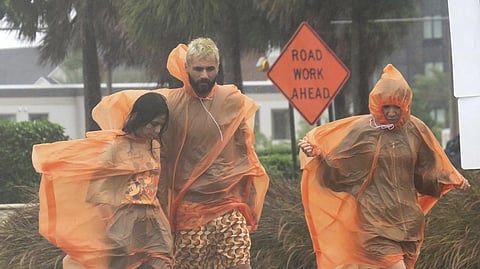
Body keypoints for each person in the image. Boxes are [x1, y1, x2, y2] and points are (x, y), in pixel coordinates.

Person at [92, 37, 270, 269]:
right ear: (186, 69)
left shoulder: (233, 101)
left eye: (210, 68)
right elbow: (142, 126)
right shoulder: (171, 104)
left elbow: (246, 154)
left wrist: (250, 202)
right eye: (198, 69)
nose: (204, 75)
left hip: (229, 210)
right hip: (188, 214)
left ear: (218, 67)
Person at [297, 64, 470, 269]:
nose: (390, 112)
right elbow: (340, 170)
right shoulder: (363, 131)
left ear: (405, 104)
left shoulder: (416, 129)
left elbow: (427, 171)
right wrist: (318, 156)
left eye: (396, 107)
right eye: (385, 106)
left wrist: (452, 179)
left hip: (409, 225)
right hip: (374, 224)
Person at [32, 92, 174, 269]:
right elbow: (96, 190)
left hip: (152, 219)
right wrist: (109, 222)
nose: (158, 130)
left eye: (161, 125)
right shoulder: (115, 147)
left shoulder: (154, 146)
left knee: (161, 261)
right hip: (123, 219)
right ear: (138, 117)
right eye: (154, 124)